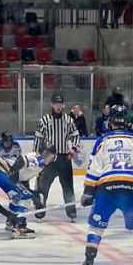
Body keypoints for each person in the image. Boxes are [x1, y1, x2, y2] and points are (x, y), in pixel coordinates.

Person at [79, 104, 133, 265]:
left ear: (110, 123)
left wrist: (89, 192)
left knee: (96, 227)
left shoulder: (103, 141)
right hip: (130, 187)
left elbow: (94, 169)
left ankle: (89, 263)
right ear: (125, 123)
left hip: (108, 187)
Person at [0, 147, 57, 239]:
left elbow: (23, 178)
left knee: (20, 196)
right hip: (3, 173)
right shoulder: (40, 161)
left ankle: (11, 221)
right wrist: (14, 172)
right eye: (52, 157)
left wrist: (35, 197)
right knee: (25, 198)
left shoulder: (37, 158)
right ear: (48, 155)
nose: (52, 160)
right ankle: (19, 226)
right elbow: (22, 160)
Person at [33, 93, 81, 222]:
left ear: (63, 105)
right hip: (49, 159)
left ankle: (71, 212)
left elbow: (76, 135)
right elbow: (38, 139)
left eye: (60, 103)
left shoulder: (68, 120)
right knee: (43, 186)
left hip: (64, 158)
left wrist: (74, 148)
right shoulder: (44, 120)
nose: (58, 106)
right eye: (56, 103)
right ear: (52, 104)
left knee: (68, 187)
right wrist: (36, 156)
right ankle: (39, 212)